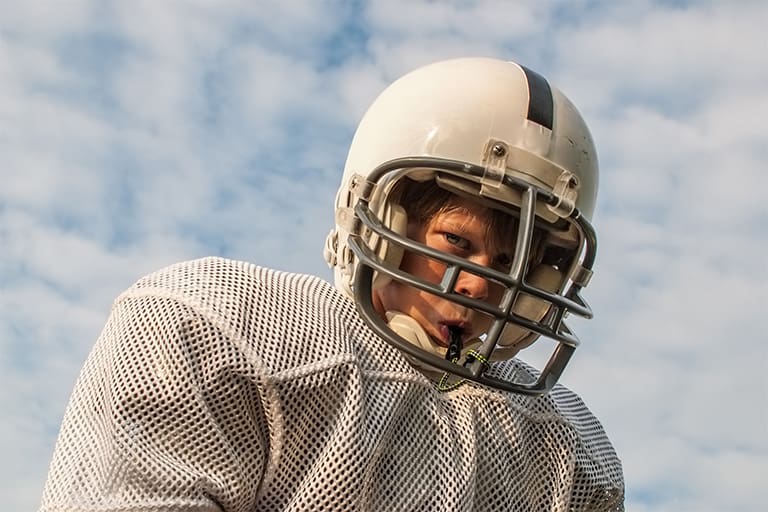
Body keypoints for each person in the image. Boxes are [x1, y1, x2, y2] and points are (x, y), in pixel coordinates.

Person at [40, 57, 624, 511]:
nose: (477, 288)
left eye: (508, 266)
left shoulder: (563, 448)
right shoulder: (224, 330)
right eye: (457, 242)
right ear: (380, 222)